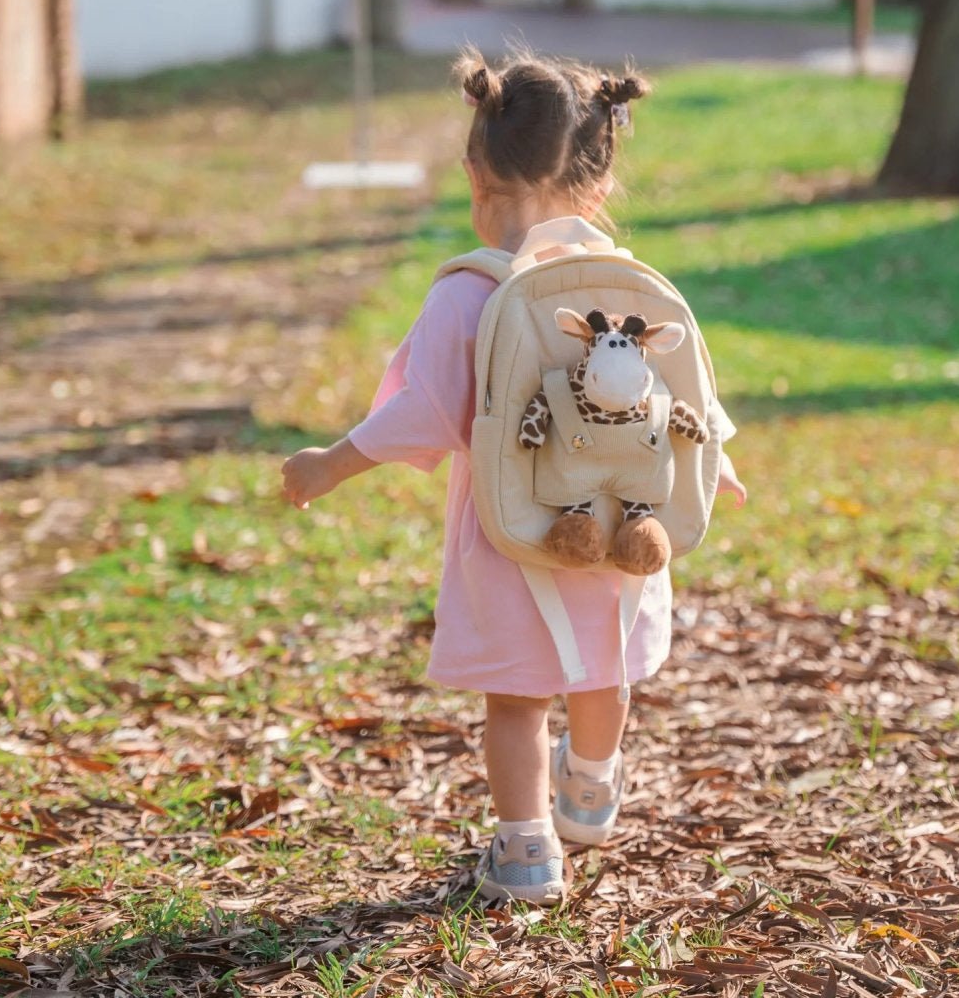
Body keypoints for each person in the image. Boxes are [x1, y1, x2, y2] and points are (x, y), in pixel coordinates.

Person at [281, 48, 747, 905]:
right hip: (620, 525)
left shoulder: (466, 295)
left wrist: (327, 465)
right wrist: (718, 470)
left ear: (473, 169)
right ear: (599, 182)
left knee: (518, 701)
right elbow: (681, 395)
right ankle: (594, 789)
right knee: (602, 669)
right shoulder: (631, 288)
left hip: (512, 537)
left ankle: (527, 852)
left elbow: (422, 414)